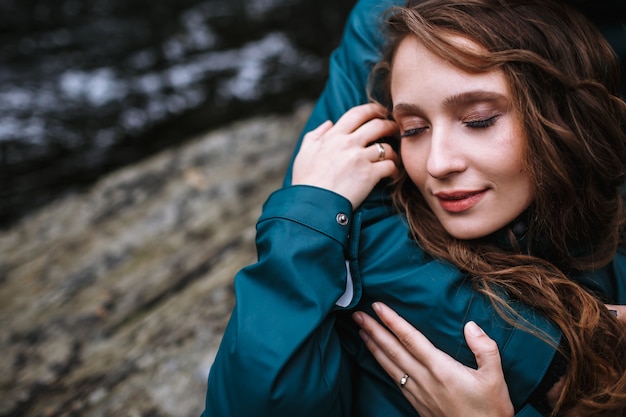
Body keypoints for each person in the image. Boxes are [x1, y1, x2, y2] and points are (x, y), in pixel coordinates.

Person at [201, 1, 626, 416]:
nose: (438, 164)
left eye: (478, 120)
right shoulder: (341, 277)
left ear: (561, 117)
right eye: (414, 129)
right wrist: (310, 211)